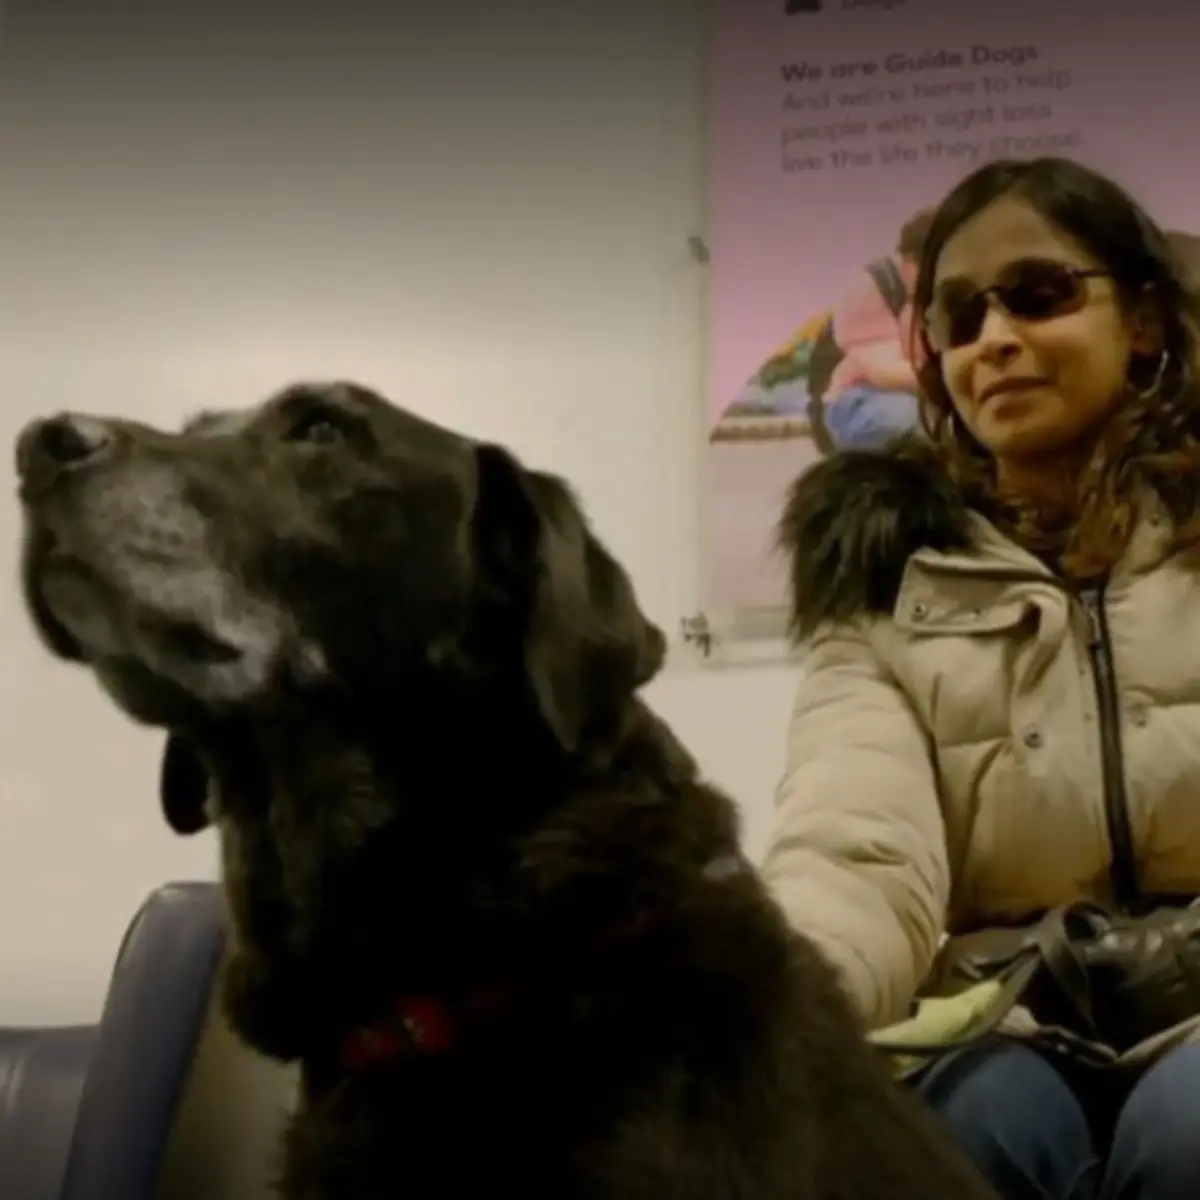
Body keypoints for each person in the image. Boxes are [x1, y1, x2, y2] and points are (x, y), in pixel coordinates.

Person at [763, 155, 1200, 1199]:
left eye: (1039, 295)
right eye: (960, 319)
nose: (993, 340)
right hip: (1000, 1011)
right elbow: (855, 851)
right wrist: (776, 1011)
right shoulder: (879, 577)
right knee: (963, 1142)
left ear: (1142, 322)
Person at [813, 208, 932, 450]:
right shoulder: (871, 287)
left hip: (921, 393)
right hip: (861, 397)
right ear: (909, 260)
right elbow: (883, 372)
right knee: (912, 424)